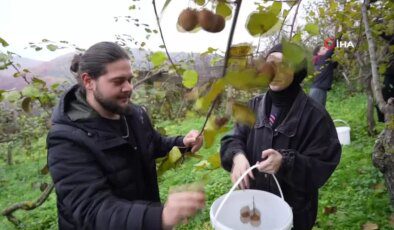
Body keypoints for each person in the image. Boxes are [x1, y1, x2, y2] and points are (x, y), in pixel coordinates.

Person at [46, 41, 204, 230]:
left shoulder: (134, 115)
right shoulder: (66, 139)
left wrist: (182, 143)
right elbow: (92, 210)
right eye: (118, 81)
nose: (129, 87)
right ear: (88, 81)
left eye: (129, 79)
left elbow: (153, 144)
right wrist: (160, 216)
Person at [220, 44, 341, 230]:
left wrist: (286, 162)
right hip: (256, 204)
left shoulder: (315, 116)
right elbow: (232, 138)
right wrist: (237, 156)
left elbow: (323, 163)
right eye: (270, 63)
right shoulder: (252, 107)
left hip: (295, 212)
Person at [309, 39, 339, 107]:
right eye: (323, 49)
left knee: (320, 113)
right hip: (318, 91)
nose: (326, 49)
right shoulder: (322, 58)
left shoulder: (323, 61)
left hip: (320, 90)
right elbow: (332, 49)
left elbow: (334, 65)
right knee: (317, 113)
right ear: (318, 53)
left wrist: (337, 56)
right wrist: (338, 35)